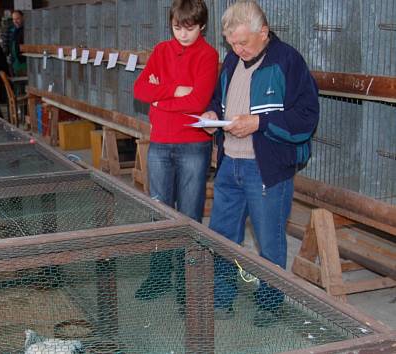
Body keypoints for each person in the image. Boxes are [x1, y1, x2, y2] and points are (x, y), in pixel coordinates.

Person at [201, 0, 319, 325]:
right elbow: (217, 98)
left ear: (263, 32)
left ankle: (269, 304)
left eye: (243, 42)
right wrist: (213, 113)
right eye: (232, 43)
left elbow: (306, 118)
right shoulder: (231, 61)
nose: (237, 49)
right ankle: (221, 299)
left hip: (266, 169)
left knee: (269, 242)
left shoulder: (287, 61)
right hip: (230, 165)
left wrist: (258, 123)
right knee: (222, 237)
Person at [132, 0, 218, 307]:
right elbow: (140, 90)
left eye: (190, 28)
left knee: (189, 215)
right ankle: (158, 276)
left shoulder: (208, 55)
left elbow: (198, 101)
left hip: (193, 145)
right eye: (177, 27)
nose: (182, 34)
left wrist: (160, 98)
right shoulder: (161, 51)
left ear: (202, 26)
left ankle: (186, 282)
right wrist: (174, 89)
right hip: (160, 142)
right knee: (159, 212)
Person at [7, 10, 26, 76]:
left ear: (23, 18)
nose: (15, 21)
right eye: (13, 19)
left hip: (24, 63)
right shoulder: (14, 30)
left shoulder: (26, 30)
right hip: (15, 63)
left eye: (17, 19)